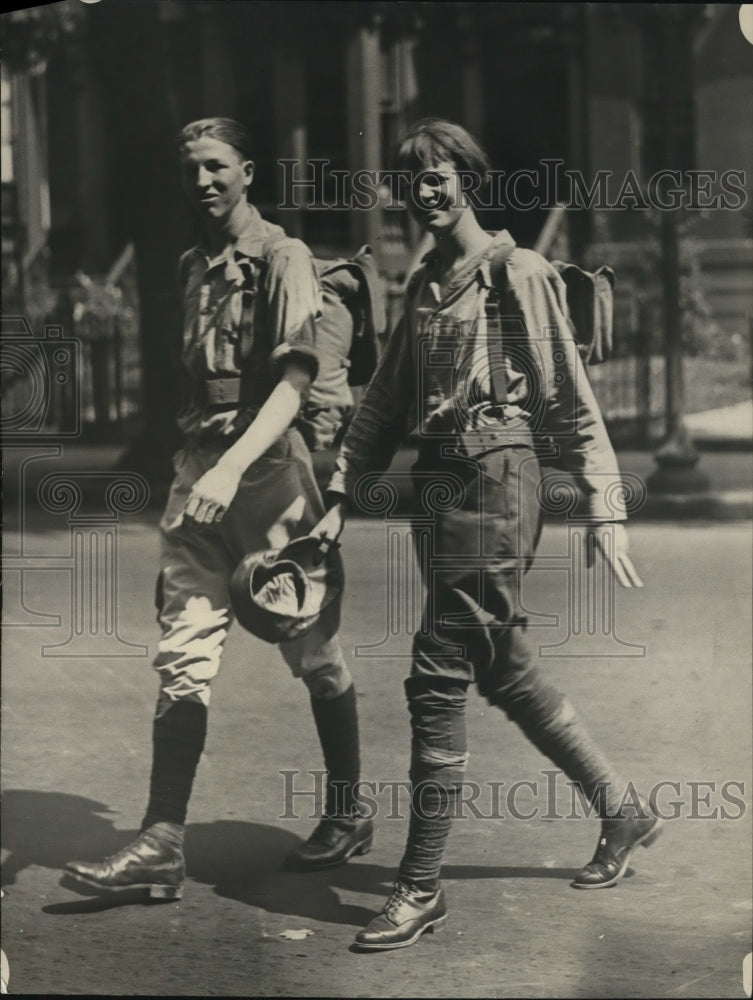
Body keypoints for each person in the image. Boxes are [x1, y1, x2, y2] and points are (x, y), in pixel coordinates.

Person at [313, 118, 662, 951]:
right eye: (411, 181)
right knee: (501, 665)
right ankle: (622, 811)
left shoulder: (518, 272)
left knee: (437, 672)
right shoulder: (426, 280)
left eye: (438, 176)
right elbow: (384, 397)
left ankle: (419, 885)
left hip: (498, 477)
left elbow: (568, 393)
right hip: (437, 482)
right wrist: (338, 488)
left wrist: (605, 502)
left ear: (469, 180)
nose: (423, 192)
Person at [65, 117, 372, 900]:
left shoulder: (282, 256)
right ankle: (161, 840)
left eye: (216, 166)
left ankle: (347, 810)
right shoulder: (191, 264)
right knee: (183, 651)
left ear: (247, 172)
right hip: (199, 469)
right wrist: (201, 468)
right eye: (191, 169)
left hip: (267, 477)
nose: (202, 182)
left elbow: (295, 382)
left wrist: (232, 471)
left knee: (312, 651)